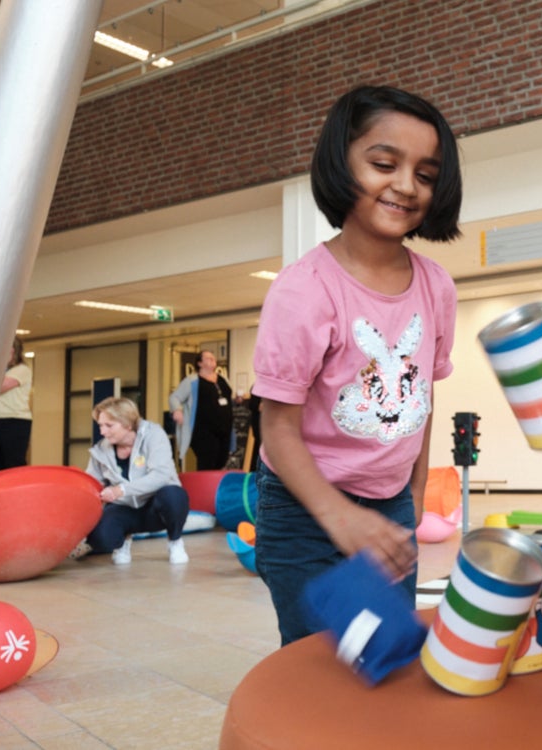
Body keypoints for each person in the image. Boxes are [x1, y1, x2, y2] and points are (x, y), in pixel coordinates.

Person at [251, 85, 462, 646]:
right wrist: (339, 517)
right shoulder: (305, 290)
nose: (405, 185)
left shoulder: (436, 285)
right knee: (320, 663)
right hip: (302, 507)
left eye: (425, 173)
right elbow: (276, 425)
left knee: (383, 652)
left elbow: (423, 394)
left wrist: (415, 491)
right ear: (340, 162)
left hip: (390, 503)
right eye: (384, 163)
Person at [83, 397, 190, 565]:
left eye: (109, 426)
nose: (102, 432)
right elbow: (91, 483)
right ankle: (123, 540)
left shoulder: (154, 435)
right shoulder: (100, 450)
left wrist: (120, 490)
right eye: (100, 426)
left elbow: (161, 476)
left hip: (155, 506)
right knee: (99, 539)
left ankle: (175, 540)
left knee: (174, 496)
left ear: (127, 424)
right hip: (125, 508)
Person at [169, 349, 235, 470]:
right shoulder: (192, 381)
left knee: (221, 462)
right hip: (204, 432)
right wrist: (177, 410)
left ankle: (216, 488)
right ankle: (205, 487)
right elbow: (175, 397)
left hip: (224, 430)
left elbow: (229, 397)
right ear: (200, 363)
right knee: (208, 461)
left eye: (213, 358)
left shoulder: (223, 379)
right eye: (208, 358)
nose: (213, 360)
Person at [0, 337, 32, 471]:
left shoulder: (22, 369)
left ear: (13, 351)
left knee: (13, 462)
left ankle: (18, 490)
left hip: (14, 420)